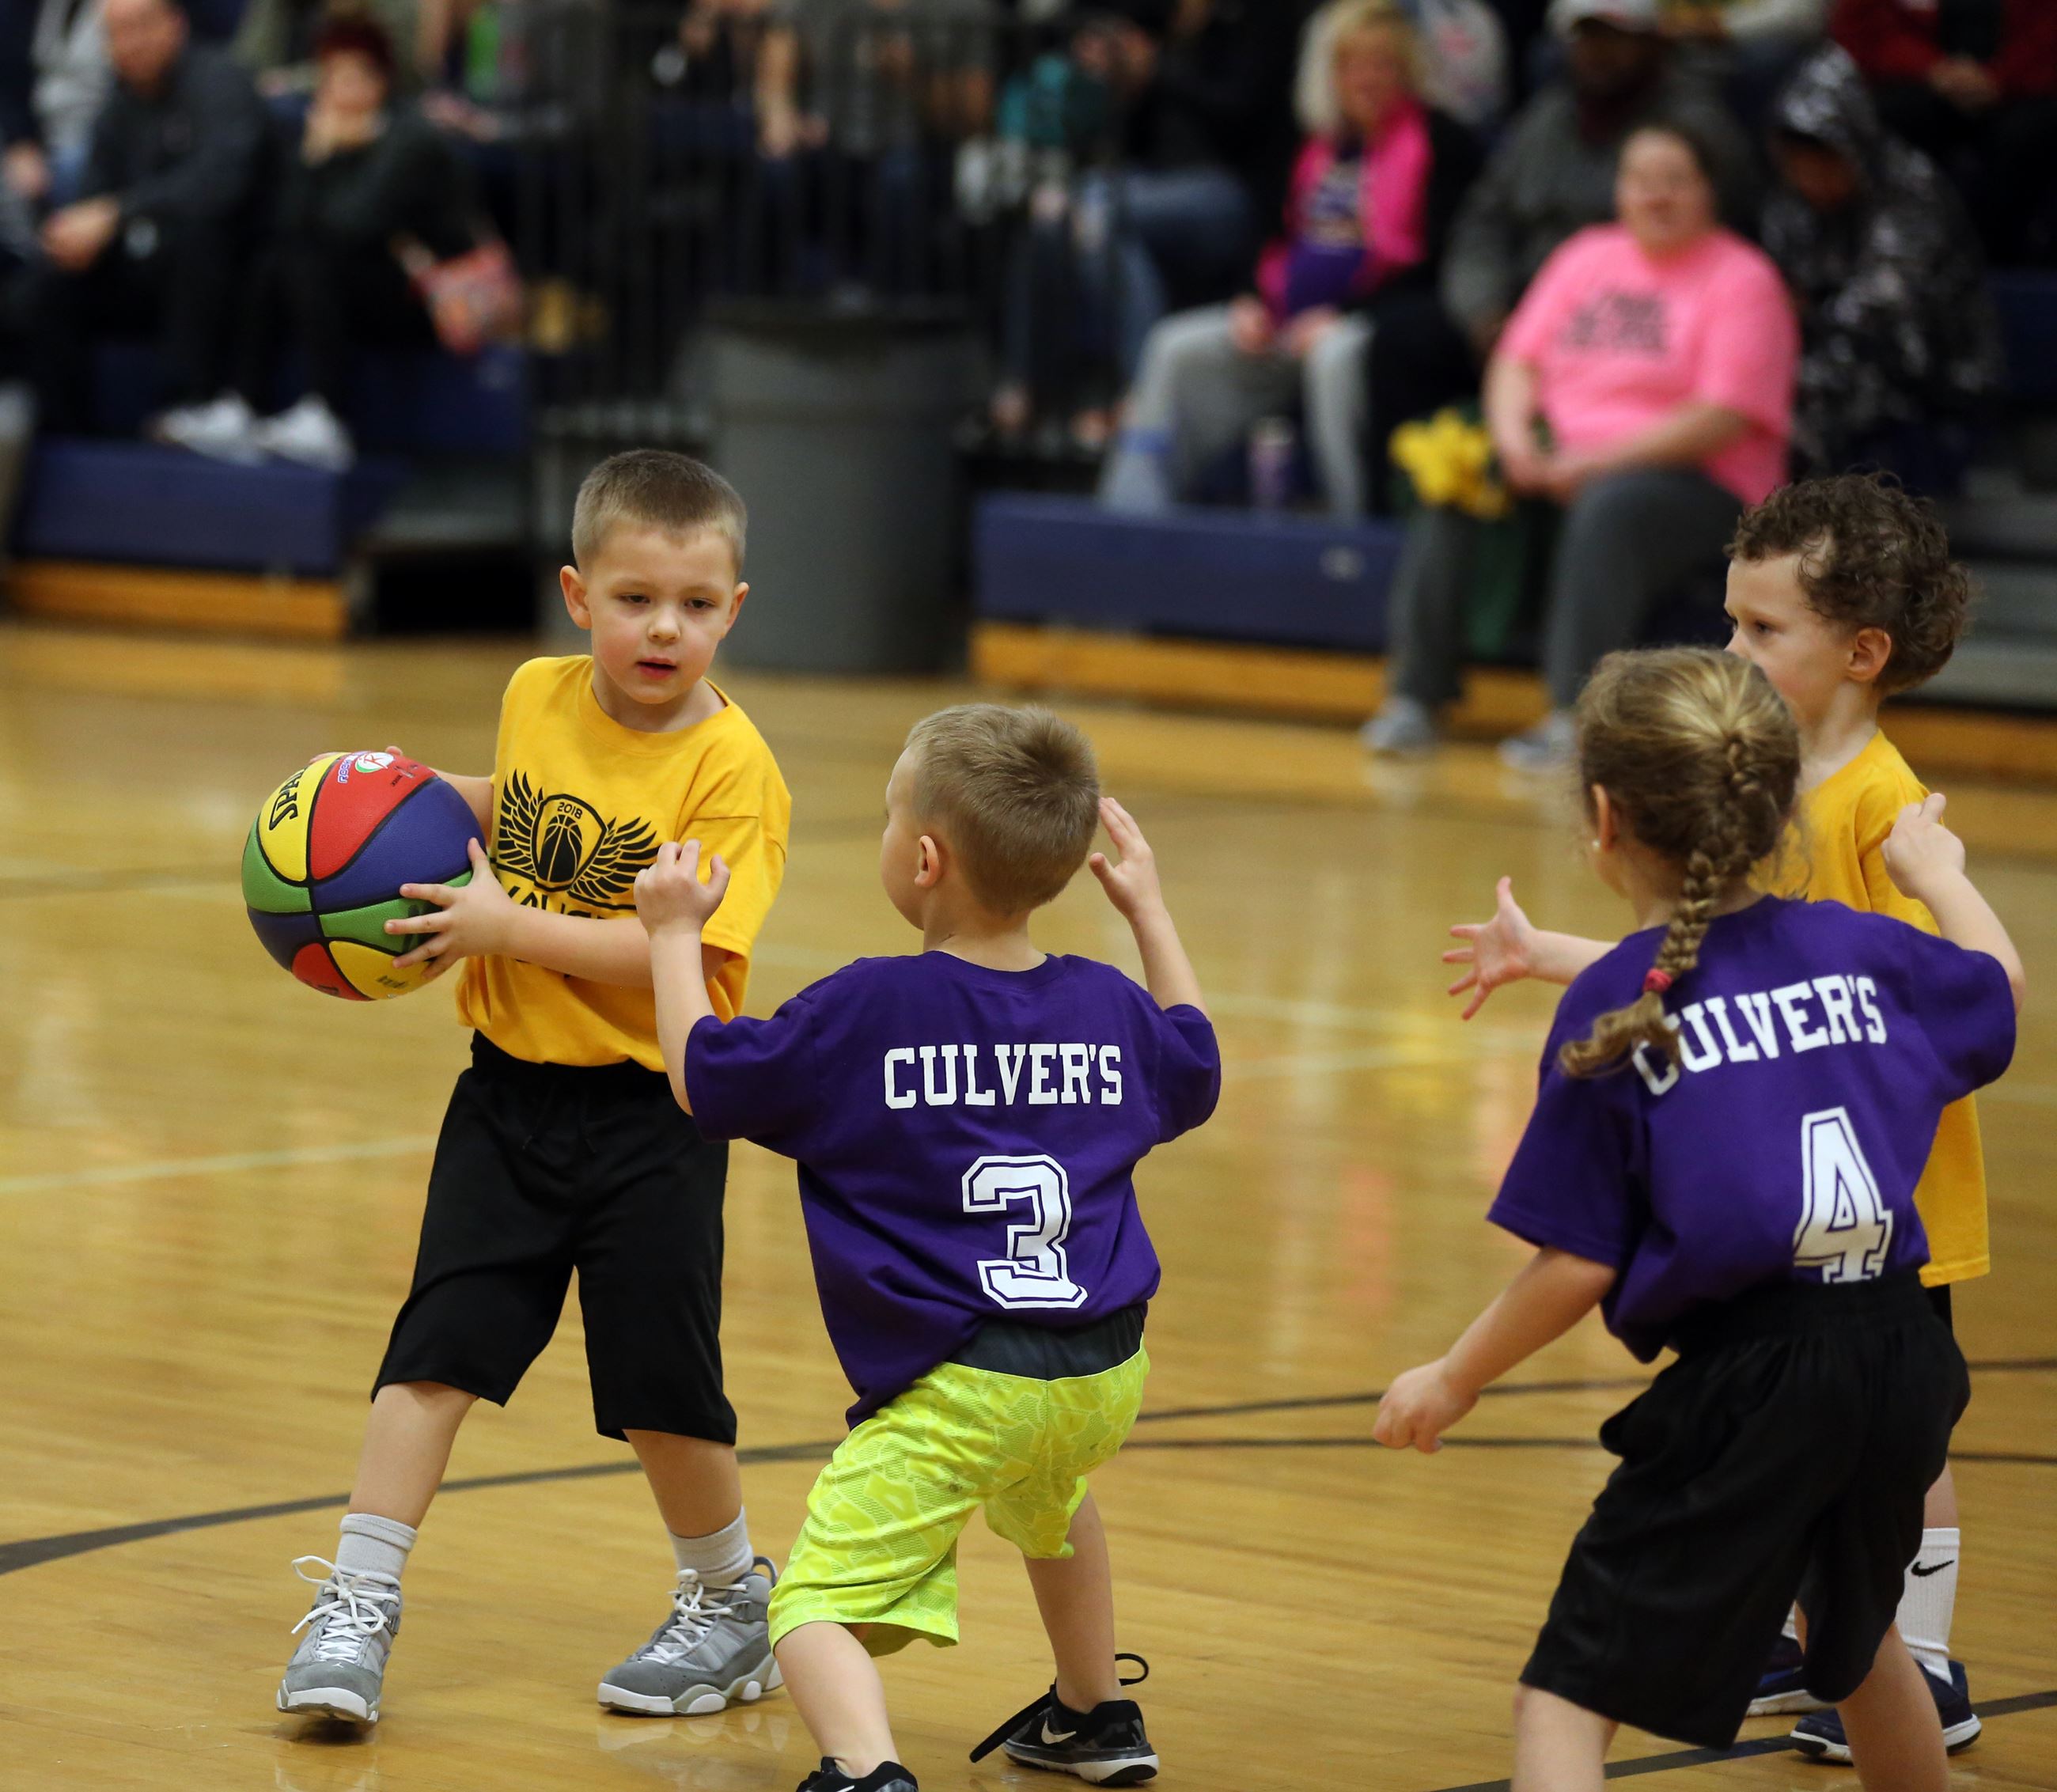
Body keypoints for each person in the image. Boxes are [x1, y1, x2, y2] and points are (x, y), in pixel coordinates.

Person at [1377, 644, 2021, 1791]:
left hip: (1758, 1382)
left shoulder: (1620, 1005)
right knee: (1859, 1640)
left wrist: (1454, 1374)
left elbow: (1575, 1262)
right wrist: (1936, 871)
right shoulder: (1862, 949)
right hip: (1901, 1354)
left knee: (1567, 1694)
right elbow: (1999, 989)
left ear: (1603, 817)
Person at [274, 452, 793, 1729]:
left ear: (734, 608)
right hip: (505, 1099)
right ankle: (354, 1608)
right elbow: (529, 808)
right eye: (633, 598)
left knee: (661, 1392)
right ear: (576, 594)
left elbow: (682, 956)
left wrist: (508, 929)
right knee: (432, 1357)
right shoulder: (533, 696)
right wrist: (399, 797)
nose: (661, 626)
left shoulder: (735, 774)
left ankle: (729, 1604)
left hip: (654, 1120)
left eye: (691, 602)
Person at [633, 706, 1219, 1792]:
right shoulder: (1105, 1002)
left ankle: (864, 1771)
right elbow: (1197, 1064)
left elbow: (701, 1077)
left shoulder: (870, 1006)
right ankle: (1094, 1715)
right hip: (1103, 1372)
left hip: (966, 1381)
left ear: (925, 856)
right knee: (1050, 1500)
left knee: (808, 1603)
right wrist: (1148, 910)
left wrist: (672, 935)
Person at [1361, 122, 1797, 768]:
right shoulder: (1585, 255)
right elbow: (1516, 362)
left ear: (1710, 191)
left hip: (1696, 480)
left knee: (1610, 507)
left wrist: (1593, 462)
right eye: (1641, 180)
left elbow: (1721, 415)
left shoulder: (1744, 279)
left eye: (1675, 180)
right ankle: (1414, 698)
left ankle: (1576, 717)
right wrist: (1512, 442)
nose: (1657, 195)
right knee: (1458, 479)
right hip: (1562, 456)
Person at [1360, 0, 1754, 530]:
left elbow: (1716, 244)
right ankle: (1392, 525)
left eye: (1614, 37)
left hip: (1619, 326)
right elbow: (1482, 222)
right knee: (1402, 337)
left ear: (1653, 43)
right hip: (1520, 313)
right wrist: (1484, 310)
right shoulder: (1547, 116)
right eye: (1586, 38)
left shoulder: (1695, 127)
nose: (1598, 53)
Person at [1098, 0, 1481, 518]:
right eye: (1352, 65)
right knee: (1175, 347)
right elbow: (1270, 235)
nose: (1366, 79)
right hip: (1284, 323)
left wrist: (1345, 316)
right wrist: (1250, 301)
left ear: (1408, 69)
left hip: (1371, 325)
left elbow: (1440, 265)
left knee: (1334, 357)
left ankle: (1349, 530)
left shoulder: (1443, 144)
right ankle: (1128, 524)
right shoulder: (1313, 147)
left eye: (1381, 64)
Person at [155, 13, 483, 471]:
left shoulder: (411, 139)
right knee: (273, 260)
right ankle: (242, 405)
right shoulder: (323, 134)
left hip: (428, 301)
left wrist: (325, 156)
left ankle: (328, 413)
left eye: (353, 76)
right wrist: (314, 156)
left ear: (382, 80)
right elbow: (287, 222)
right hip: (351, 285)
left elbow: (353, 223)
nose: (339, 90)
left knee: (309, 257)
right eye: (330, 78)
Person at [26, 0, 268, 437]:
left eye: (140, 27)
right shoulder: (118, 103)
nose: (129, 43)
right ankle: (62, 431)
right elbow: (92, 198)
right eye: (115, 32)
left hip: (231, 266)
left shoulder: (220, 80)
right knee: (47, 278)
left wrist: (118, 213)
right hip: (142, 266)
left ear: (175, 24)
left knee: (199, 240)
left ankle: (187, 407)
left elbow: (221, 183)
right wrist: (77, 233)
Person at [1761, 44, 2001, 484]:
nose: (1811, 179)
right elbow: (1776, 296)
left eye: (1825, 162)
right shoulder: (1787, 205)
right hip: (1825, 361)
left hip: (1928, 380)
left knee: (1820, 387)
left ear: (1854, 144)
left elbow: (1881, 307)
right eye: (1798, 165)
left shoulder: (1912, 191)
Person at [1832, 0, 2057, 267]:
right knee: (1896, 114)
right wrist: (1934, 69)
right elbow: (1862, 31)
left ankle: (2005, 268)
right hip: (1923, 83)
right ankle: (1899, 256)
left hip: (2022, 87)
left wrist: (2000, 78)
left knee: (2027, 134)